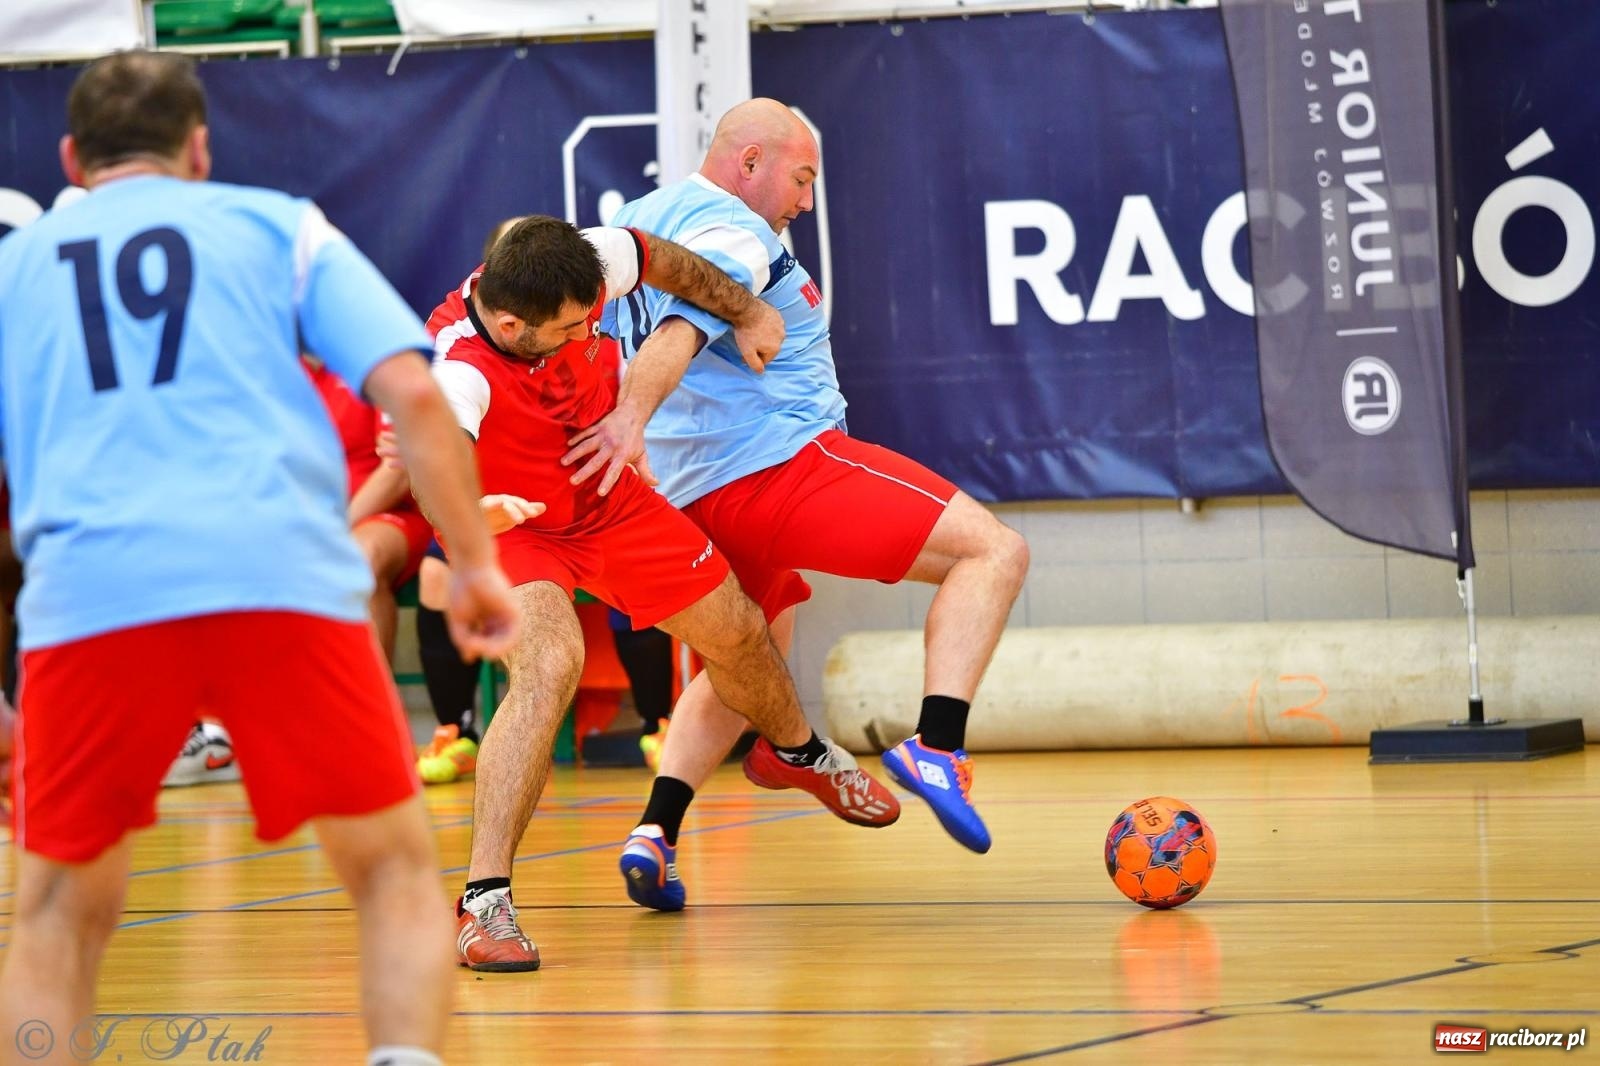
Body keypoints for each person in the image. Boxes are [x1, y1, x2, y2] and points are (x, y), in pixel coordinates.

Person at [0, 52, 519, 1066]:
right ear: (199, 150)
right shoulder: (279, 226)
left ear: (71, 158)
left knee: (58, 912)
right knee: (394, 876)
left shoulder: (18, 268)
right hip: (278, 577)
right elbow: (416, 396)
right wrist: (476, 562)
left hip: (91, 594)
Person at [427, 215, 899, 972]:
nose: (590, 334)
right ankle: (485, 903)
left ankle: (797, 752)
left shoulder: (587, 262)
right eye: (571, 329)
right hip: (511, 526)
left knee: (741, 627)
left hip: (607, 499)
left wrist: (747, 310)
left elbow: (663, 259)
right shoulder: (458, 368)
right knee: (550, 666)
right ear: (511, 326)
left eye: (594, 318)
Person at [596, 99, 1030, 902]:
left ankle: (656, 830)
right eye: (800, 179)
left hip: (696, 495)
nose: (804, 201)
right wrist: (628, 420)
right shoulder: (736, 235)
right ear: (749, 162)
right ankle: (939, 745)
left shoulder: (643, 217)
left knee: (748, 655)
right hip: (782, 466)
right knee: (993, 551)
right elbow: (679, 335)